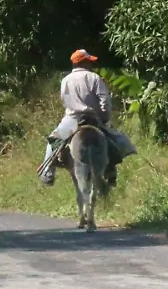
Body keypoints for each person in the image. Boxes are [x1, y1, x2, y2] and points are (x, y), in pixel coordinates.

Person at [40, 48, 137, 186]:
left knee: (53, 142)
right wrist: (104, 117)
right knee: (117, 140)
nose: (91, 65)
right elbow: (105, 101)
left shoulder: (65, 80)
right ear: (84, 63)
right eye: (89, 62)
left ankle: (47, 173)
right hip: (93, 118)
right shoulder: (94, 78)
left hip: (71, 120)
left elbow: (64, 100)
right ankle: (111, 171)